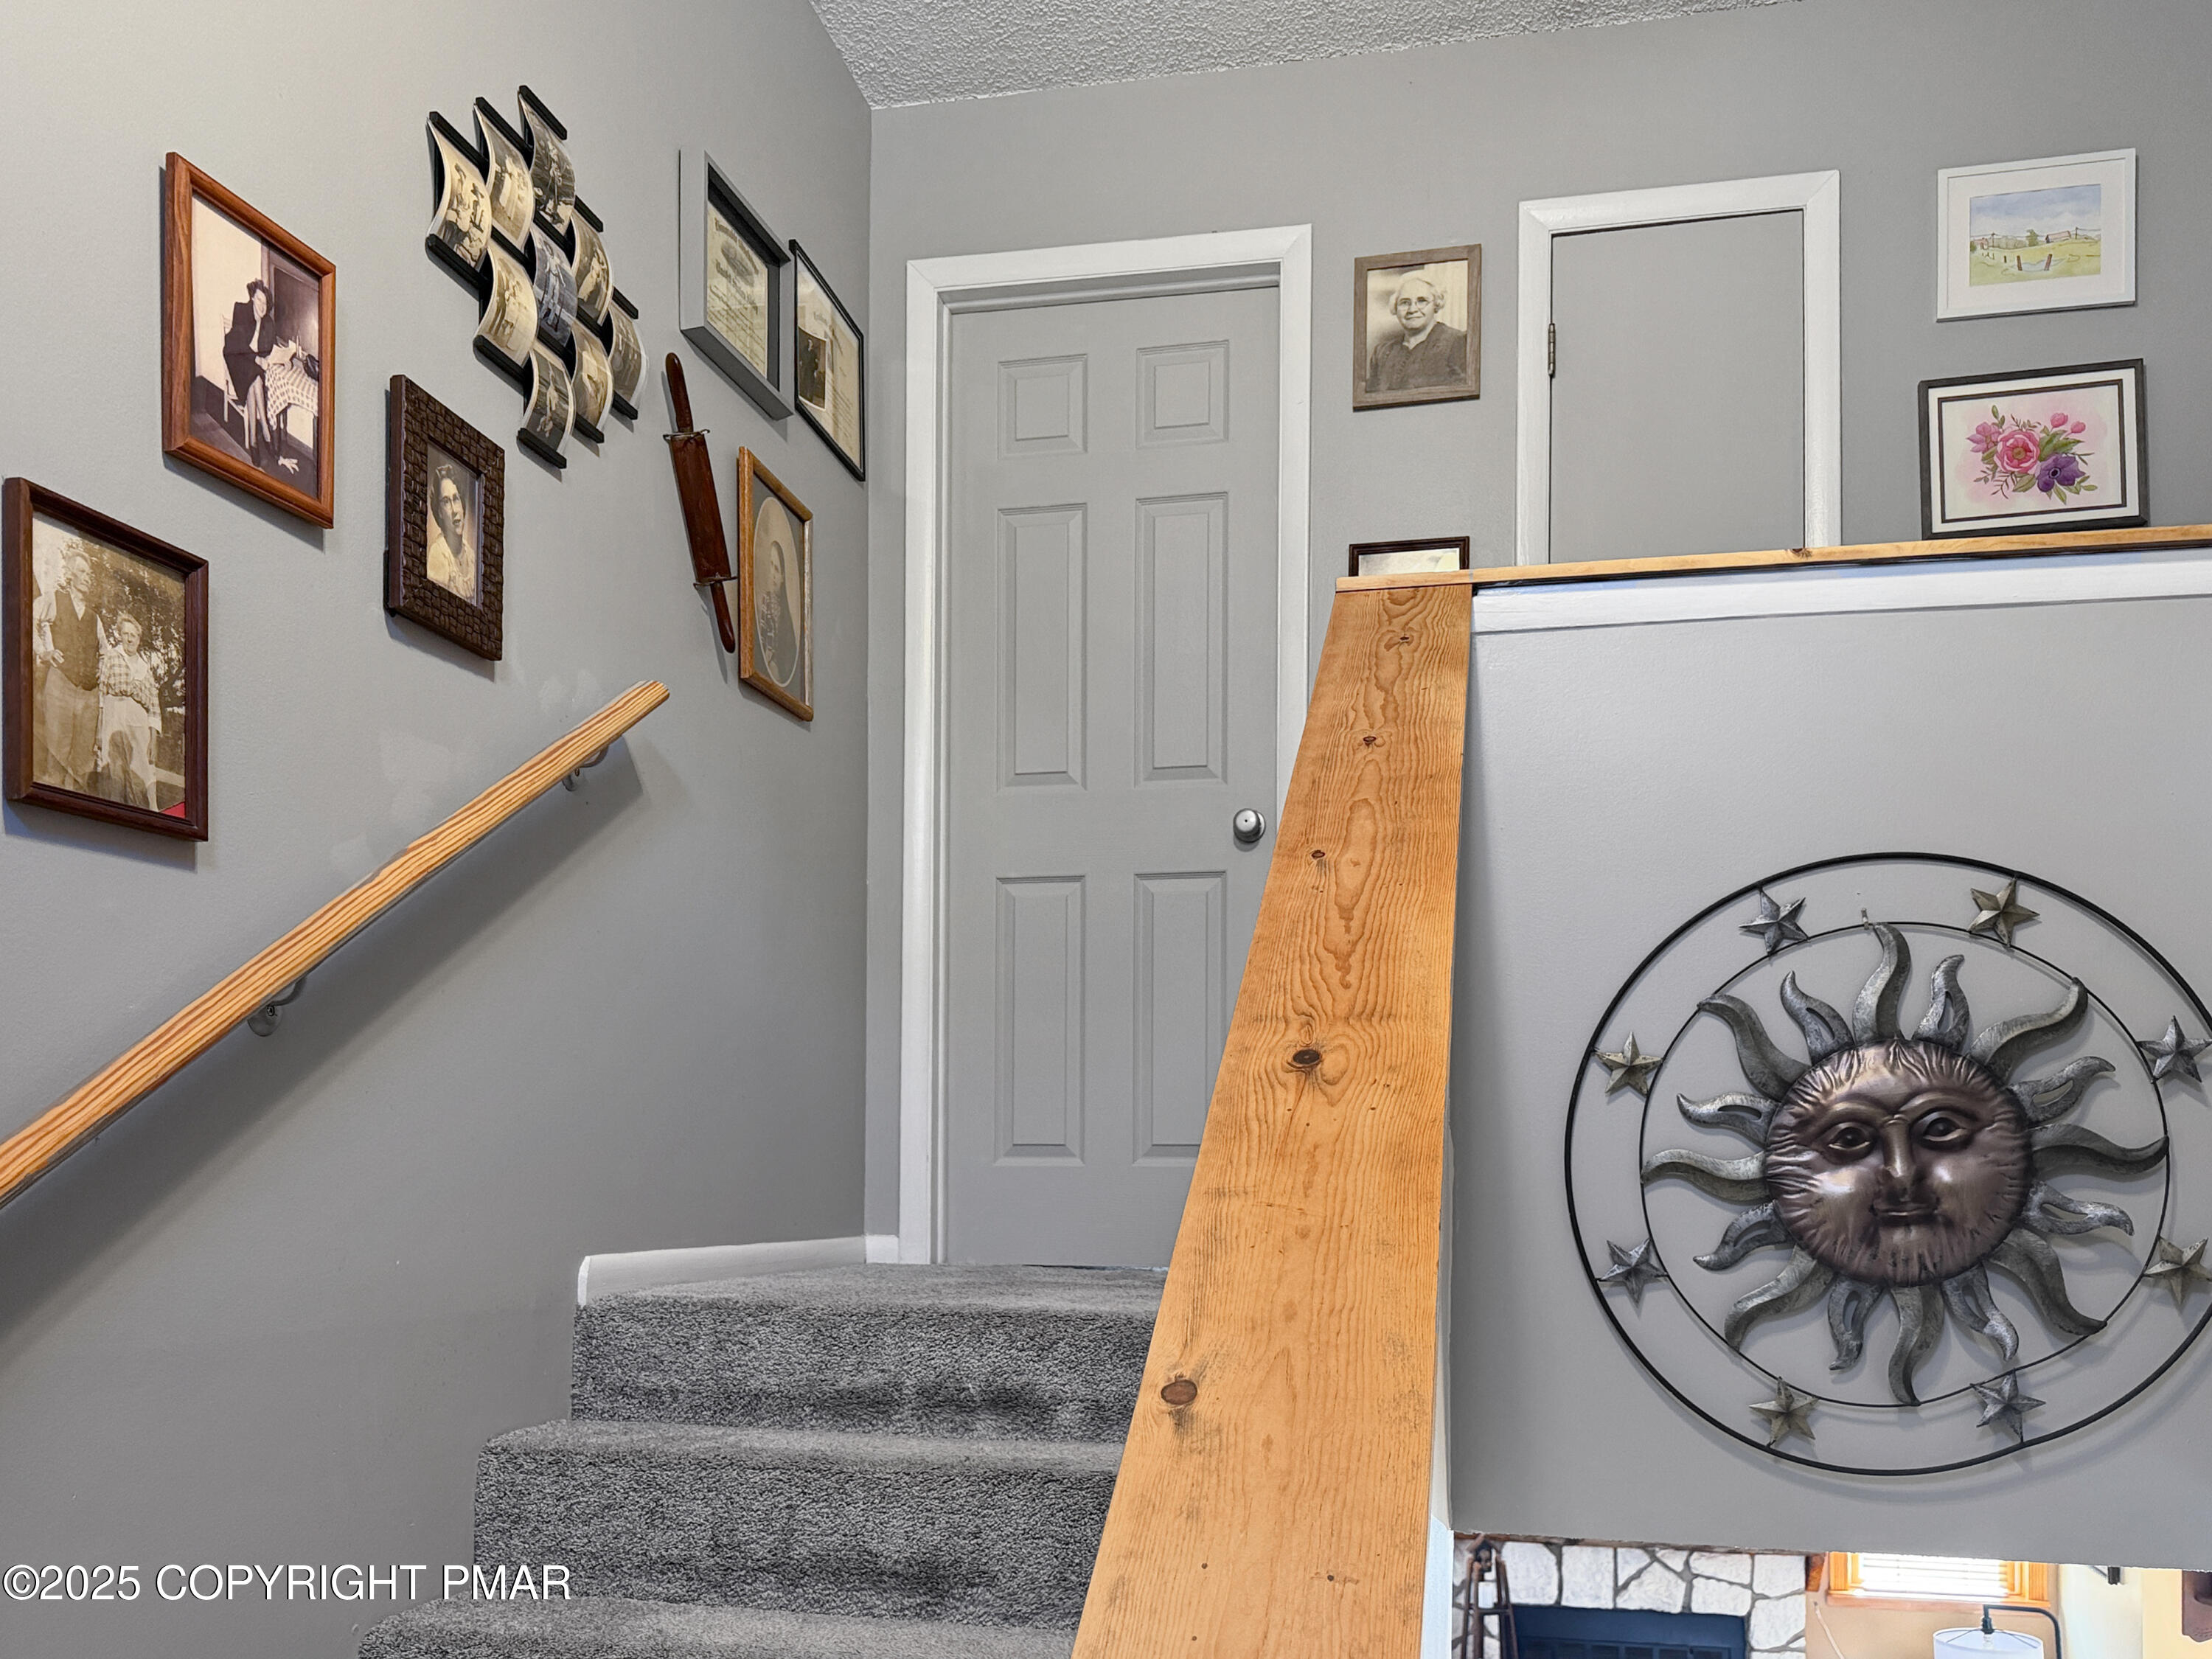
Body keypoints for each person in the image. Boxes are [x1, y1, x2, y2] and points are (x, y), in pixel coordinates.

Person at [29, 546, 101, 790]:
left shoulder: (95, 617)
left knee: (83, 766)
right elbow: (29, 618)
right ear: (70, 574)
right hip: (60, 685)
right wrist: (44, 652)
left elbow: (107, 652)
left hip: (89, 695)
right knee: (57, 759)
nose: (88, 577)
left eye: (89, 573)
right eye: (82, 571)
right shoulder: (53, 598)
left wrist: (102, 668)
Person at [94, 612, 163, 807]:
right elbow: (101, 692)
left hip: (138, 719)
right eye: (126, 634)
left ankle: (148, 814)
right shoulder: (111, 656)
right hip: (113, 713)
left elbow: (154, 706)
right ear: (120, 635)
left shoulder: (145, 667)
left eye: (134, 635)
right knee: (114, 769)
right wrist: (99, 729)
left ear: (139, 639)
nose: (130, 638)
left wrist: (154, 740)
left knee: (143, 770)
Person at [1366, 271, 1467, 394]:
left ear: (1436, 304)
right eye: (1405, 303)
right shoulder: (1382, 353)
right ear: (1395, 308)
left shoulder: (1458, 342)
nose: (1412, 309)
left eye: (1421, 301)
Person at [223, 279, 285, 466]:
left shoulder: (268, 322)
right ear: (252, 298)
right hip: (236, 357)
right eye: (259, 300)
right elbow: (239, 344)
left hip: (252, 366)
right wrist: (258, 358)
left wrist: (284, 360)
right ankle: (265, 429)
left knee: (255, 380)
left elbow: (269, 349)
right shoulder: (241, 310)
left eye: (265, 303)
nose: (262, 306)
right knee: (254, 375)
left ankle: (253, 440)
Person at [755, 511, 799, 689]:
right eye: (771, 566)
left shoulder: (786, 617)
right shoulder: (763, 606)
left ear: (783, 577)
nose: (773, 575)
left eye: (777, 569)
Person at [425, 466, 476, 600]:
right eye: (446, 502)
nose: (454, 510)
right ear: (440, 512)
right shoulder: (438, 554)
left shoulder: (472, 558)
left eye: (456, 499)